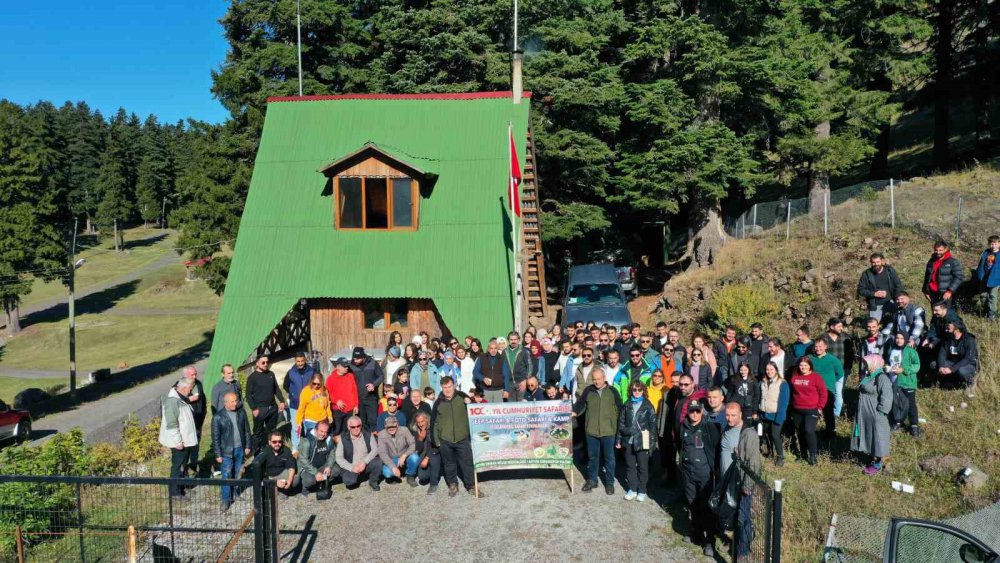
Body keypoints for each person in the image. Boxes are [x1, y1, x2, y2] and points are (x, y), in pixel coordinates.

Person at [678, 398, 721, 557]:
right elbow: (680, 444)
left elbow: (717, 449)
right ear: (688, 412)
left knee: (706, 507)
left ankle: (710, 540)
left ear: (701, 411)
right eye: (692, 411)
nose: (695, 414)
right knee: (692, 504)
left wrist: (716, 472)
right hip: (688, 473)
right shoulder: (684, 426)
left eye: (697, 411)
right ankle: (696, 532)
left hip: (705, 474)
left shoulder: (709, 427)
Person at [572, 368, 621, 495]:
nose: (597, 382)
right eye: (594, 379)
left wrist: (618, 429)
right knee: (593, 457)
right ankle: (592, 480)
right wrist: (574, 411)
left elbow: (620, 410)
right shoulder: (589, 390)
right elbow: (580, 403)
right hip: (592, 431)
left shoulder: (612, 391)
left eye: (599, 379)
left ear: (604, 378)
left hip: (608, 431)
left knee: (609, 458)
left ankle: (609, 483)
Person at [432, 377, 482, 497]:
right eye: (445, 387)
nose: (447, 389)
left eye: (449, 387)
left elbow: (476, 410)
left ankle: (471, 485)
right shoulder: (438, 402)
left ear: (454, 386)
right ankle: (453, 484)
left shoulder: (462, 397)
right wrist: (436, 440)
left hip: (462, 438)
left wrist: (471, 402)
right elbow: (434, 422)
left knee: (467, 462)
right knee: (449, 464)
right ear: (441, 388)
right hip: (445, 439)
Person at [660, 373, 707, 482]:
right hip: (678, 435)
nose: (682, 387)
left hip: (692, 437)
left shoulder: (699, 399)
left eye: (686, 385)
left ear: (693, 384)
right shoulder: (679, 395)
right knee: (683, 464)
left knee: (691, 464)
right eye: (681, 384)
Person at [851, 355, 893, 475]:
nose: (864, 365)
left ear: (874, 364)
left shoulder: (882, 377)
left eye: (867, 363)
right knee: (871, 436)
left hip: (875, 414)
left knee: (879, 438)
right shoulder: (869, 376)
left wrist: (881, 411)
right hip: (865, 413)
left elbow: (887, 396)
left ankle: (879, 464)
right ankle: (877, 459)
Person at [616, 380, 657, 502]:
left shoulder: (648, 406)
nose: (637, 392)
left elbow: (653, 426)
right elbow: (621, 423)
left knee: (643, 467)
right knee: (630, 466)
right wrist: (619, 439)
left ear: (643, 391)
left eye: (639, 390)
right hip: (628, 440)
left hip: (642, 441)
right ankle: (632, 489)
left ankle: (642, 490)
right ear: (631, 391)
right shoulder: (626, 404)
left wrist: (652, 444)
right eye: (634, 389)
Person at [159, 378, 198, 498]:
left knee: (183, 465)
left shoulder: (180, 398)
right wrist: (177, 441)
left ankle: (181, 487)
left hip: (185, 440)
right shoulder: (172, 401)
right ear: (184, 388)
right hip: (179, 442)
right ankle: (175, 493)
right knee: (177, 466)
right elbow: (171, 424)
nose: (191, 392)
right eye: (190, 389)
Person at [212, 391, 251, 510]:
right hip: (226, 451)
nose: (236, 403)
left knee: (236, 472)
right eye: (233, 401)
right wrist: (218, 453)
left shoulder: (241, 412)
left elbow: (247, 431)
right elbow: (216, 437)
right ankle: (225, 500)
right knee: (226, 475)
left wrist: (248, 445)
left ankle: (235, 493)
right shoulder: (218, 417)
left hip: (240, 448)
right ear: (226, 403)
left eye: (236, 401)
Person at [788, 357, 827, 465]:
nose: (803, 367)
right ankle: (803, 454)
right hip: (797, 409)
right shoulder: (795, 377)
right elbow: (791, 393)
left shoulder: (816, 377)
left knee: (809, 431)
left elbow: (823, 393)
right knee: (800, 432)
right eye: (801, 365)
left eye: (805, 365)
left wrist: (820, 407)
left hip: (811, 409)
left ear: (810, 366)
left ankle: (813, 455)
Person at [246, 356, 286, 455]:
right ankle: (257, 452)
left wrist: (281, 400)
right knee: (258, 432)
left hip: (272, 407)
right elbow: (248, 395)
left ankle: (272, 450)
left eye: (267, 362)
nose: (265, 364)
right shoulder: (252, 377)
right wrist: (254, 408)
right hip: (259, 409)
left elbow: (276, 388)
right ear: (257, 364)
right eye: (263, 362)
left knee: (272, 430)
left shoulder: (271, 374)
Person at [883, 332, 921, 436]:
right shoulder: (892, 350)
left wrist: (904, 370)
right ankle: (897, 422)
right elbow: (887, 362)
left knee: (910, 404)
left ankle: (914, 425)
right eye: (897, 338)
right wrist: (886, 367)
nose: (899, 340)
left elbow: (917, 365)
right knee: (896, 403)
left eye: (901, 338)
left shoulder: (911, 351)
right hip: (893, 381)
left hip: (907, 382)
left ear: (906, 339)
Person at [334, 415, 382, 491]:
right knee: (349, 481)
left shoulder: (368, 434)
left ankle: (373, 481)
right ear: (349, 427)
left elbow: (375, 449)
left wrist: (364, 462)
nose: (356, 429)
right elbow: (338, 457)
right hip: (352, 465)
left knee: (378, 462)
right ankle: (358, 477)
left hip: (365, 464)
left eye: (358, 426)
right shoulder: (343, 439)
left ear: (361, 425)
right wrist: (352, 467)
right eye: (353, 427)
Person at [810, 337, 844, 443]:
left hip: (827, 390)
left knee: (828, 413)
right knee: (812, 413)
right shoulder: (809, 358)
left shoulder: (833, 360)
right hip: (813, 391)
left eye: (820, 346)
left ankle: (831, 434)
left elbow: (840, 374)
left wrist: (830, 382)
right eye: (816, 346)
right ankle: (811, 433)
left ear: (825, 347)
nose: (818, 348)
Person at [857, 252, 904, 322]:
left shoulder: (890, 271)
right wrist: (874, 294)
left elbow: (898, 285)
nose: (876, 264)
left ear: (882, 261)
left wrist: (898, 298)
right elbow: (860, 290)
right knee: (873, 324)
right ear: (870, 262)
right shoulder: (866, 274)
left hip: (891, 301)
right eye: (873, 262)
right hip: (875, 304)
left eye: (878, 262)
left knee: (899, 321)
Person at [758, 362, 789, 466]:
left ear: (776, 370)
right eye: (767, 370)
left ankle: (780, 457)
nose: (769, 372)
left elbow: (784, 402)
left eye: (771, 369)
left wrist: (779, 417)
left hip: (776, 414)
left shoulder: (782, 383)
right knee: (767, 434)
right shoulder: (763, 382)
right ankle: (771, 452)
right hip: (765, 414)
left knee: (775, 435)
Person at [296, 420, 337, 497]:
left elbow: (332, 453)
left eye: (326, 432)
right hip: (308, 468)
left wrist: (329, 466)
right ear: (315, 429)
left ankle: (321, 482)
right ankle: (304, 487)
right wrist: (315, 472)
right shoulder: (306, 441)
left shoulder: (329, 440)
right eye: (321, 431)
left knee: (336, 470)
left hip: (322, 466)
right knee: (309, 480)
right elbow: (303, 461)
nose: (323, 434)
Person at [284, 352, 315, 450]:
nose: (300, 363)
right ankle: (295, 447)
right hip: (295, 405)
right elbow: (285, 386)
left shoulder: (312, 371)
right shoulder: (291, 372)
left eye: (302, 361)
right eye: (298, 361)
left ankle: (309, 445)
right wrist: (293, 394)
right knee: (296, 426)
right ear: (295, 361)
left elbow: (317, 384)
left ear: (305, 360)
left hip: (308, 404)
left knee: (308, 426)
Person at [252, 430, 298, 496]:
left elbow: (291, 467)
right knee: (265, 486)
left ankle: (282, 490)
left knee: (296, 478)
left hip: (280, 473)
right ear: (269, 442)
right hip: (269, 476)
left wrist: (289, 481)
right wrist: (275, 482)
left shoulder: (286, 450)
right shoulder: (264, 452)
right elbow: (259, 475)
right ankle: (273, 489)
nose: (277, 444)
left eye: (280, 441)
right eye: (274, 442)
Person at [933, 321, 979, 388]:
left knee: (962, 371)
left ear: (956, 330)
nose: (946, 330)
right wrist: (941, 366)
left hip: (967, 364)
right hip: (952, 362)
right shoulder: (947, 339)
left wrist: (952, 369)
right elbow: (942, 354)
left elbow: (968, 359)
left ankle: (969, 384)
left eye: (948, 329)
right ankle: (949, 382)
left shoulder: (969, 340)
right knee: (934, 365)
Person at [350, 347, 385, 431]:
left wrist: (374, 384)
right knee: (361, 422)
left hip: (371, 397)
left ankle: (374, 439)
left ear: (363, 357)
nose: (355, 361)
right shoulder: (351, 365)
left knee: (373, 421)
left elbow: (381, 376)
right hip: (358, 398)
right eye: (354, 358)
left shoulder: (372, 363)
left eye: (357, 359)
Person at [180, 366, 206, 473]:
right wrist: (189, 399)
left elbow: (203, 398)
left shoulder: (198, 384)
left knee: (196, 443)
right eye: (192, 375)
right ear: (186, 375)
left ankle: (194, 464)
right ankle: (183, 469)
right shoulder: (179, 386)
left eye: (196, 374)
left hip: (198, 420)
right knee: (187, 446)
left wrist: (204, 412)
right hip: (187, 423)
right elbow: (176, 401)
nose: (195, 376)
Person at [325, 358, 359, 439]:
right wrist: (336, 401)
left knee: (347, 429)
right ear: (338, 367)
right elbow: (326, 394)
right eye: (344, 366)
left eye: (347, 366)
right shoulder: (330, 379)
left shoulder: (350, 376)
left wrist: (356, 405)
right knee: (337, 430)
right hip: (337, 409)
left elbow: (354, 391)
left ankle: (346, 446)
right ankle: (335, 447)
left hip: (350, 409)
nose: (346, 368)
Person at [378, 416, 417, 484]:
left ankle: (410, 475)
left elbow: (413, 444)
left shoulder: (404, 430)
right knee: (387, 473)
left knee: (415, 458)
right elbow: (382, 453)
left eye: (393, 426)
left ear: (397, 424)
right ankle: (394, 475)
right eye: (389, 427)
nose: (391, 428)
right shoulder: (381, 434)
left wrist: (404, 455)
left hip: (405, 457)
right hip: (392, 459)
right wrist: (393, 467)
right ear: (385, 426)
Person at [923, 240, 963, 304]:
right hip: (932, 294)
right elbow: (927, 275)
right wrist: (925, 290)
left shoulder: (953, 262)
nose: (938, 252)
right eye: (936, 250)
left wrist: (950, 291)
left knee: (946, 313)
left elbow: (958, 278)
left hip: (945, 294)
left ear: (945, 249)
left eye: (940, 250)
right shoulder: (931, 261)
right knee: (935, 313)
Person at [411, 412, 442, 494]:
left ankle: (434, 484)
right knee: (422, 477)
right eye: (418, 422)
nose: (420, 424)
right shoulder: (416, 431)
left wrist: (427, 457)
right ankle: (432, 471)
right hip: (423, 455)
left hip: (435, 453)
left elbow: (437, 446)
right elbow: (419, 450)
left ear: (427, 420)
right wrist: (420, 439)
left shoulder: (433, 429)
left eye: (422, 421)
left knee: (434, 459)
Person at [295, 373, 333, 440]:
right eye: (314, 383)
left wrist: (329, 415)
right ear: (311, 381)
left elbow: (327, 405)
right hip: (311, 420)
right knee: (313, 440)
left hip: (323, 419)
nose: (316, 386)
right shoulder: (306, 391)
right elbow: (301, 408)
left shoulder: (324, 390)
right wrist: (298, 422)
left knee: (322, 439)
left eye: (318, 384)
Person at [473, 340, 510, 404]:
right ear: (488, 349)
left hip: (499, 390)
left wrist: (506, 390)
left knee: (498, 411)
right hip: (485, 390)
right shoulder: (481, 358)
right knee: (486, 411)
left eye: (495, 348)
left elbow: (506, 375)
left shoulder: (502, 359)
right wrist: (483, 378)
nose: (493, 350)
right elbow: (475, 372)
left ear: (498, 349)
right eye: (491, 348)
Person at [976, 235, 1000, 320]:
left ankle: (991, 315)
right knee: (983, 296)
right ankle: (985, 312)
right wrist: (979, 274)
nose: (993, 246)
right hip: (984, 278)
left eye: (995, 244)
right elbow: (981, 264)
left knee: (992, 297)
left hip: (995, 279)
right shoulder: (986, 252)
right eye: (991, 244)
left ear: (999, 244)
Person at [505, 331, 532, 401]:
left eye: (515, 339)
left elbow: (530, 366)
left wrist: (525, 379)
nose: (513, 341)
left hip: (521, 382)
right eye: (511, 340)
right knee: (511, 407)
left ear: (518, 340)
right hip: (509, 383)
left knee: (521, 406)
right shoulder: (504, 352)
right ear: (508, 340)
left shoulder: (524, 351)